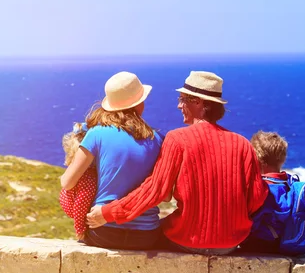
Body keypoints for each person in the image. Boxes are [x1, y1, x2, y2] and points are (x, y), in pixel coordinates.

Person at [86, 71, 268, 256]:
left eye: (183, 99)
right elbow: (256, 197)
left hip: (188, 240)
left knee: (153, 232)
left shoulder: (177, 139)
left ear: (198, 102)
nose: (179, 105)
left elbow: (155, 191)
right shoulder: (242, 144)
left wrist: (108, 212)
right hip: (230, 243)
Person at [61, 71, 164, 250]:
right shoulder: (157, 139)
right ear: (139, 104)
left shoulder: (96, 134)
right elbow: (165, 192)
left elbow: (68, 183)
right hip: (146, 235)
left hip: (104, 231)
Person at [242, 131, 305, 255]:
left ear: (256, 158)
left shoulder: (261, 187)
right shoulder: (290, 185)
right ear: (283, 159)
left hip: (260, 244)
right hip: (291, 245)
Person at [59, 122, 97, 241]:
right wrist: (80, 230)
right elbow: (81, 204)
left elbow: (81, 204)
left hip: (75, 208)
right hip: (80, 212)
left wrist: (80, 229)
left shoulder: (83, 176)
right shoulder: (88, 177)